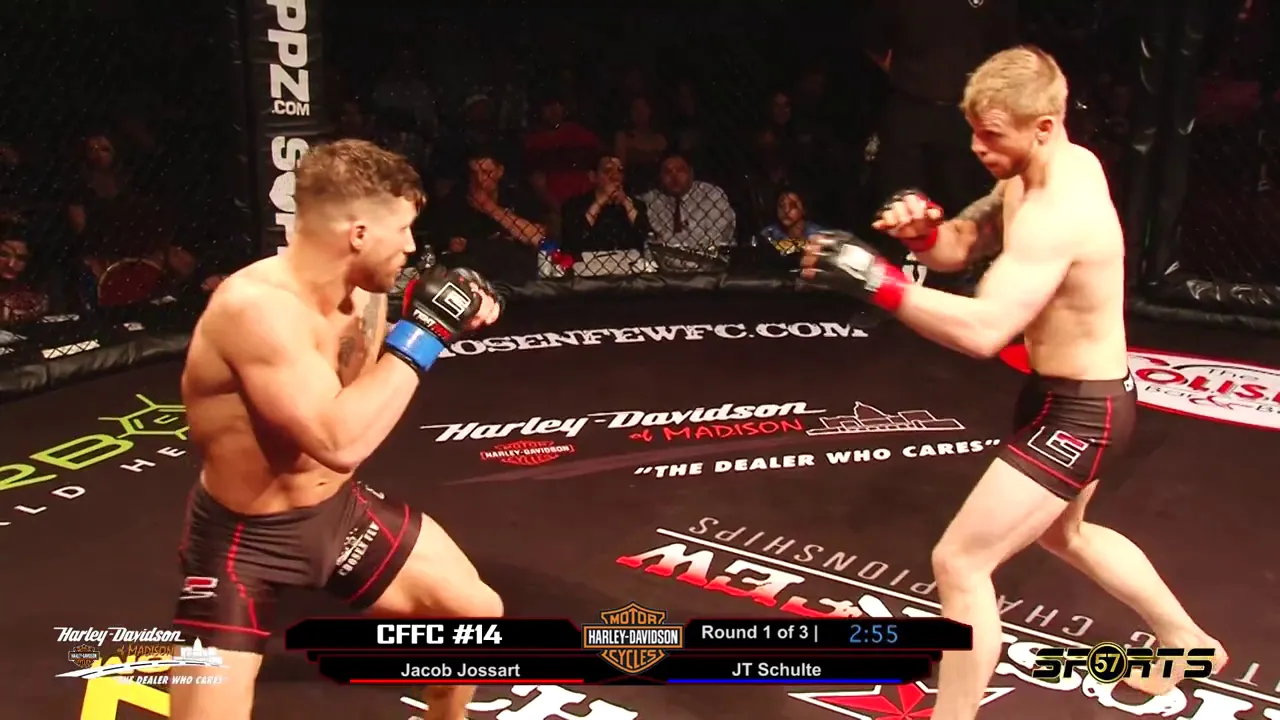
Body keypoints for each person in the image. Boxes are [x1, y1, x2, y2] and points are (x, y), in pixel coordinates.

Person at [801, 46, 1227, 718]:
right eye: (974, 130)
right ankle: (1185, 641)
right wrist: (923, 236)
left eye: (992, 135)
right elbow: (961, 246)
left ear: (1044, 126)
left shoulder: (1061, 209)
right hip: (1067, 397)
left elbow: (985, 330)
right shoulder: (1041, 168)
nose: (977, 147)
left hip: (1083, 415)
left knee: (960, 563)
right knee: (1066, 534)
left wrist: (877, 283)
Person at [168, 138, 504, 720]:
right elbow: (338, 440)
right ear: (358, 234)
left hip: (337, 515)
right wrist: (427, 332)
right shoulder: (258, 310)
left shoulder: (364, 292)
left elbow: (358, 370)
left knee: (474, 616)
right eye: (402, 230)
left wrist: (457, 311)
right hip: (245, 543)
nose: (411, 246)